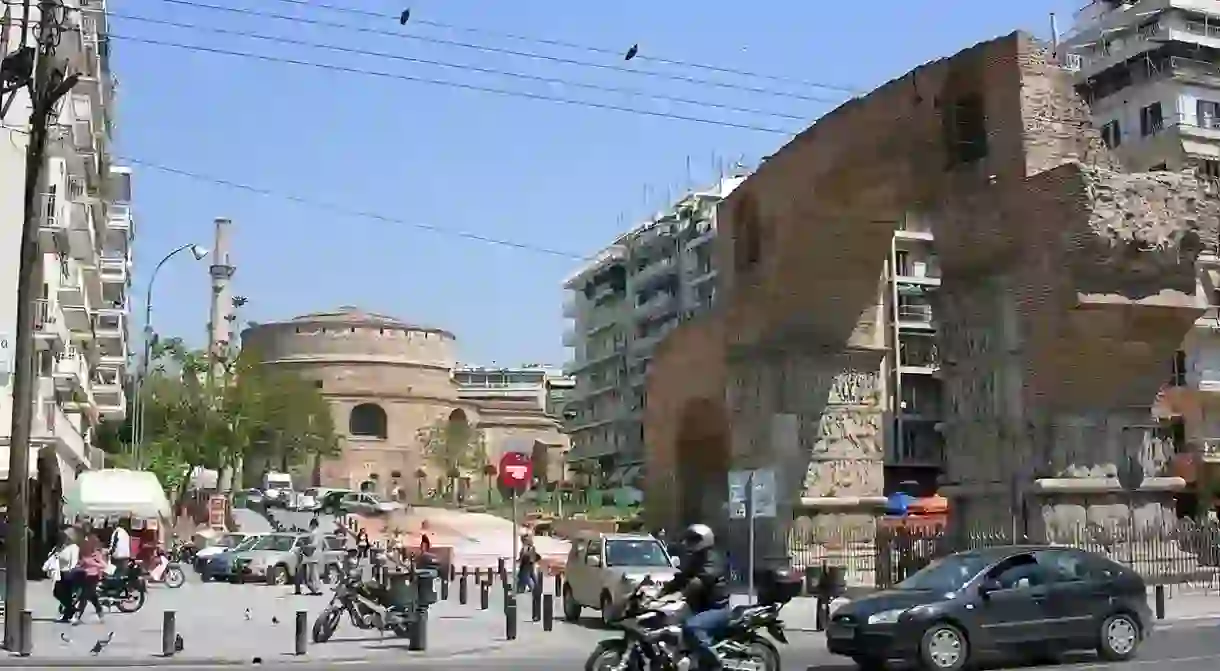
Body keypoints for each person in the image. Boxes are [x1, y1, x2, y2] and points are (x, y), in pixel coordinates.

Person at [659, 523, 731, 671]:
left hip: (717, 608)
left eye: (692, 540)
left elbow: (698, 582)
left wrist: (679, 595)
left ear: (703, 540)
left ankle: (714, 664)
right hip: (699, 606)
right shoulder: (697, 558)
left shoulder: (713, 559)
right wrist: (661, 591)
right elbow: (683, 577)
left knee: (692, 627)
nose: (687, 543)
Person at [63, 532, 106, 623]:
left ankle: (77, 617)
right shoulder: (84, 554)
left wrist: (92, 563)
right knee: (92, 597)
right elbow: (81, 563)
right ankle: (100, 612)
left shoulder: (96, 554)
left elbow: (103, 565)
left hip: (93, 576)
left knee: (84, 596)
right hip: (84, 576)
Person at [46, 528, 80, 615]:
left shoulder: (74, 548)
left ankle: (69, 610)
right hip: (60, 573)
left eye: (66, 536)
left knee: (64, 593)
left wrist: (71, 570)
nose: (64, 538)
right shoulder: (59, 547)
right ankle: (70, 609)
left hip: (68, 573)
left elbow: (74, 561)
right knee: (57, 593)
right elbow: (52, 556)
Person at [304, 518, 327, 595]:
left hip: (313, 554)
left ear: (313, 524)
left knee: (313, 573)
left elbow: (314, 544)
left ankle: (316, 588)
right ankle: (316, 588)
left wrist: (305, 546)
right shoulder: (321, 533)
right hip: (319, 553)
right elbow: (324, 544)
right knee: (315, 572)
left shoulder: (314, 533)